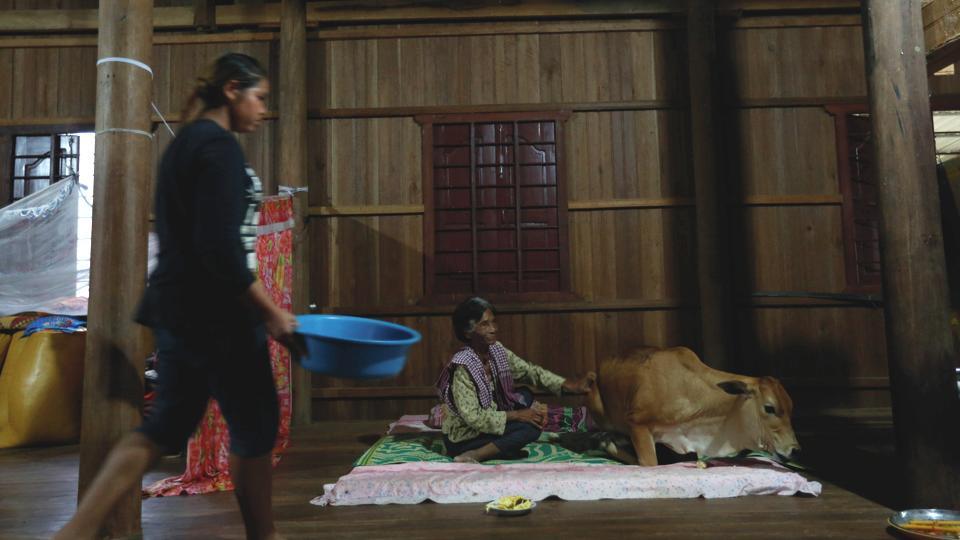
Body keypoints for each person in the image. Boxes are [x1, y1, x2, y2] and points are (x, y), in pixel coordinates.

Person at [55, 53, 296, 540]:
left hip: (178, 308)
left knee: (165, 426)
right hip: (219, 313)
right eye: (259, 97)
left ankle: (73, 533)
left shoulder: (185, 142)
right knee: (256, 426)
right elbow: (221, 251)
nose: (262, 109)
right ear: (232, 89)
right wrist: (273, 314)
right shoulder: (219, 148)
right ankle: (264, 535)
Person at [435, 297, 595, 463]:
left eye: (493, 322)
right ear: (468, 332)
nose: (493, 329)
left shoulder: (496, 351)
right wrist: (519, 415)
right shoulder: (462, 367)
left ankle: (500, 449)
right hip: (464, 437)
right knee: (531, 428)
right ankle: (475, 454)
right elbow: (475, 418)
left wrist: (570, 385)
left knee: (525, 395)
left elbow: (529, 372)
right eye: (484, 324)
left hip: (488, 422)